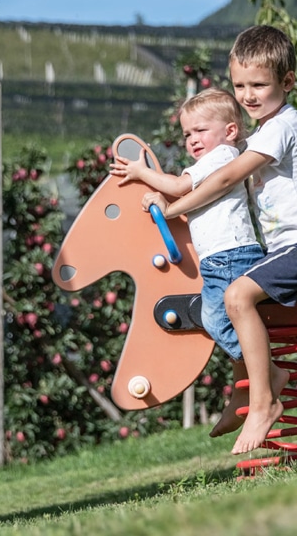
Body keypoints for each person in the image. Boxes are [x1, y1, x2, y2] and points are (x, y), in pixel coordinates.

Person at [143, 24, 297, 455]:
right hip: (290, 249)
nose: (248, 95)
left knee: (236, 298)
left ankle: (264, 399)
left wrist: (173, 210)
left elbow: (228, 176)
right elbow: (219, 167)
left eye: (259, 84)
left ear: (286, 82)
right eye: (240, 85)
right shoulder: (262, 131)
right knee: (225, 304)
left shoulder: (281, 127)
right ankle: (252, 388)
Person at [109, 88, 265, 437]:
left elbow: (180, 187)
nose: (192, 140)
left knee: (212, 317)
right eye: (187, 134)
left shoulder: (222, 156)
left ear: (229, 132)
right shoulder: (215, 159)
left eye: (200, 130)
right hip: (222, 259)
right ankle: (250, 387)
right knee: (222, 322)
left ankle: (266, 374)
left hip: (230, 257)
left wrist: (140, 172)